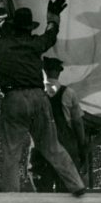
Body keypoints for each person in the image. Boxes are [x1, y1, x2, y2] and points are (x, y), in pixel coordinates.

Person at [0, 0, 85, 196]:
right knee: (52, 146)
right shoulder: (35, 43)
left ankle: (11, 195)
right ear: (29, 28)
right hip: (37, 96)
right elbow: (51, 35)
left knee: (12, 151)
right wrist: (53, 17)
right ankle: (76, 185)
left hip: (13, 98)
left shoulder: (1, 46)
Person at [30, 56, 87, 192]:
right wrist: (81, 145)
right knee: (67, 189)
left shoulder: (35, 92)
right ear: (59, 72)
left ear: (43, 70)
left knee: (42, 189)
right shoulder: (69, 93)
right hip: (65, 145)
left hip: (40, 145)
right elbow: (78, 123)